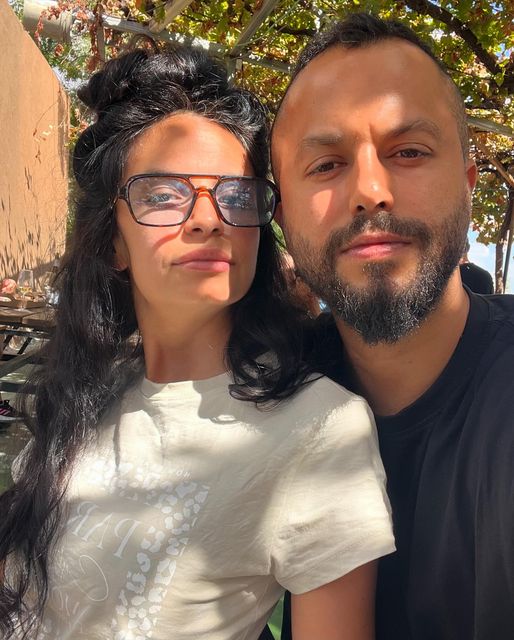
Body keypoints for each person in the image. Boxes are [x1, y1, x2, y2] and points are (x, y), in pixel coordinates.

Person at [0, 47, 394, 640]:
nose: (209, 219)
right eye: (162, 194)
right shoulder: (85, 393)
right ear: (112, 241)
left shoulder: (319, 427)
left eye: (235, 196)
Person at [271, 12, 514, 640]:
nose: (371, 191)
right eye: (326, 165)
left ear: (467, 185)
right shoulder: (260, 396)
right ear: (283, 214)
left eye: (409, 152)